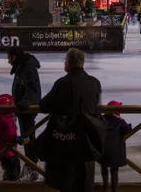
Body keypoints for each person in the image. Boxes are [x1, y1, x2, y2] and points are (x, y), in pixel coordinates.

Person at [39, 48, 102, 192]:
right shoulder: (94, 83)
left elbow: (44, 106)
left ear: (67, 63)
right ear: (83, 63)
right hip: (88, 140)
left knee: (66, 182)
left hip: (66, 141)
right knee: (84, 182)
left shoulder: (62, 83)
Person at [7, 47, 42, 181]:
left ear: (14, 57)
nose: (8, 61)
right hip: (22, 108)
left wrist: (26, 100)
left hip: (27, 109)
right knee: (27, 136)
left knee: (28, 137)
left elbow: (32, 87)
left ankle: (32, 167)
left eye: (8, 58)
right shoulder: (22, 67)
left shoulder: (27, 68)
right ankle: (30, 166)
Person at [98, 100, 132, 192]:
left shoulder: (101, 119)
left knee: (104, 169)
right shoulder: (119, 121)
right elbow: (127, 130)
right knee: (114, 171)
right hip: (115, 152)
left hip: (102, 150)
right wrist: (123, 120)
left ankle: (105, 187)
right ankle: (114, 189)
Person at [0, 94, 21, 181]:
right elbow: (9, 136)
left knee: (10, 169)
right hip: (8, 152)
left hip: (2, 150)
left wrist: (12, 118)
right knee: (12, 172)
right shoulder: (6, 121)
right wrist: (18, 139)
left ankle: (9, 183)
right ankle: (8, 186)